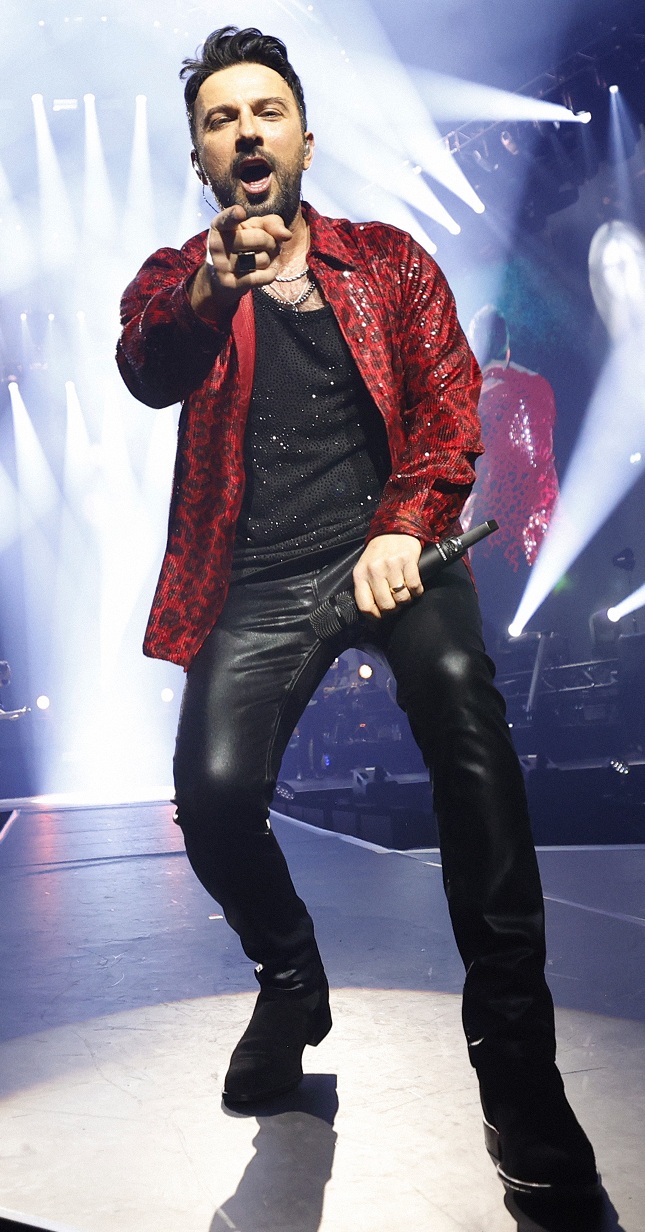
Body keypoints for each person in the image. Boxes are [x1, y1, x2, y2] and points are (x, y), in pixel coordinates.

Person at [116, 26, 599, 1200]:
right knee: (211, 800)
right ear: (202, 157)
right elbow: (147, 362)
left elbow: (447, 405)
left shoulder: (387, 261)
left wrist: (405, 521)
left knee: (463, 705)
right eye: (221, 120)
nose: (246, 132)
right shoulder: (175, 278)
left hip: (395, 544)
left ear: (303, 139)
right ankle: (291, 979)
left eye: (266, 111)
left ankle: (519, 1071)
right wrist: (210, 288)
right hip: (257, 578)